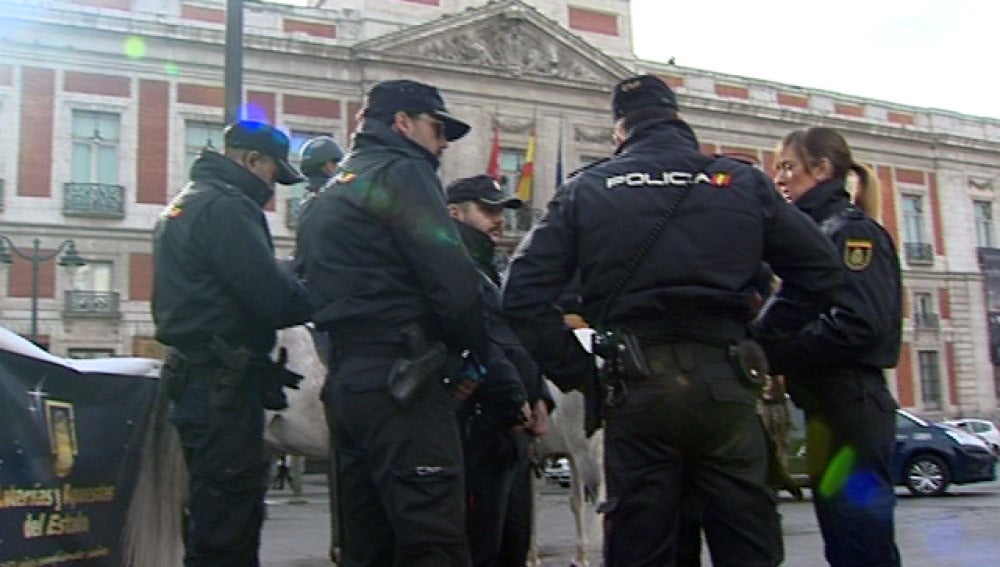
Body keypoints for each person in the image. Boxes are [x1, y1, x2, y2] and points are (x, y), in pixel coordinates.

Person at [501, 75, 846, 566]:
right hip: (724, 383)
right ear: (678, 118)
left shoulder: (589, 187)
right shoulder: (740, 180)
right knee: (747, 543)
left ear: (619, 131)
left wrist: (581, 376)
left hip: (637, 388)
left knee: (642, 546)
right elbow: (822, 274)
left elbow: (519, 295)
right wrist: (759, 343)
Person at [296, 79, 488, 567]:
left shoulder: (328, 194)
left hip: (348, 382)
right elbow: (452, 279)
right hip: (405, 383)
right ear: (403, 123)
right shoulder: (402, 171)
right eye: (437, 128)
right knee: (432, 538)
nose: (443, 143)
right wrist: (473, 357)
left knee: (367, 541)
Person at [152, 120, 313, 567]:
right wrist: (314, 292)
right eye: (271, 175)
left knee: (207, 514)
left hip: (195, 378)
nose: (272, 189)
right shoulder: (228, 208)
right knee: (229, 520)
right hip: (224, 386)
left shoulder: (186, 204)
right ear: (251, 160)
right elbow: (270, 298)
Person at [753, 126, 903, 567]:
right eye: (776, 168)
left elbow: (859, 325)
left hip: (851, 408)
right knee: (844, 542)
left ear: (822, 169)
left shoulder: (852, 233)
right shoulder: (813, 232)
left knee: (860, 544)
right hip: (827, 411)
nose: (778, 178)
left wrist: (775, 353)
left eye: (788, 167)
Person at [444, 174, 552, 566]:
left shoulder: (494, 268)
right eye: (488, 210)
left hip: (510, 431)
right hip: (477, 430)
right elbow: (483, 343)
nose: (499, 220)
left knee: (512, 542)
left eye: (501, 211)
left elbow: (517, 340)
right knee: (480, 546)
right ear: (454, 213)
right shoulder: (451, 268)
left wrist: (539, 395)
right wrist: (515, 397)